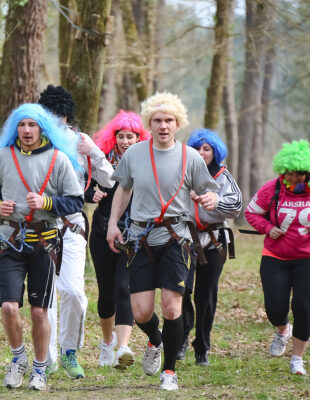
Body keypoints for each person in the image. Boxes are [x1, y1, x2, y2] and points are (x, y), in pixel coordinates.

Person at [106, 92, 219, 391]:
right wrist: (112, 225)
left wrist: (211, 197)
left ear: (178, 122)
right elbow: (123, 190)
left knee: (172, 307)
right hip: (140, 237)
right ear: (149, 124)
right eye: (157, 120)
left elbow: (209, 190)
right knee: (141, 311)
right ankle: (155, 340)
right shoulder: (134, 154)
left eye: (169, 120)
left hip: (177, 238)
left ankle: (169, 371)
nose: (163, 125)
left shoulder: (191, 157)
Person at [0, 103, 84, 391]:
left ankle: (40, 368)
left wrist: (49, 203)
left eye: (32, 125)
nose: (26, 131)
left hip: (44, 242)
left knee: (40, 312)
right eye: (22, 125)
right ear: (15, 129)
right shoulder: (2, 156)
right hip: (10, 240)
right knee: (9, 307)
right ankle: (18, 359)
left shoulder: (59, 159)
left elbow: (76, 200)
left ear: (42, 129)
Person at [37, 85, 115, 379]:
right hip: (41, 225)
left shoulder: (81, 141)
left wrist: (95, 153)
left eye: (60, 114)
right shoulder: (36, 141)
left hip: (73, 225)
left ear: (68, 116)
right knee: (46, 295)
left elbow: (109, 181)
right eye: (49, 114)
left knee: (73, 291)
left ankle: (70, 350)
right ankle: (50, 357)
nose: (56, 120)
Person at [245, 140, 310, 376]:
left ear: (309, 172)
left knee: (303, 306)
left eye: (300, 174)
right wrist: (268, 227)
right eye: (290, 173)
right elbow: (251, 213)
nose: (295, 178)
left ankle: (297, 359)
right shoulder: (271, 189)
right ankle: (283, 330)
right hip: (275, 257)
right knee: (274, 308)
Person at [88, 110, 150, 370]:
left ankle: (123, 347)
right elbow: (80, 188)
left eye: (131, 137)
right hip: (102, 231)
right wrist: (90, 194)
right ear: (114, 139)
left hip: (132, 234)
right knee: (106, 293)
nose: (125, 141)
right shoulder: (102, 164)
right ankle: (106, 342)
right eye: (121, 137)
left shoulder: (146, 164)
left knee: (124, 289)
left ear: (139, 138)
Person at [178, 129, 241, 366]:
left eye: (206, 149)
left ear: (215, 152)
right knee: (182, 290)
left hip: (214, 242)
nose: (201, 152)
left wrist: (215, 201)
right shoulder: (181, 172)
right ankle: (181, 337)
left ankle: (202, 347)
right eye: (197, 148)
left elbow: (236, 205)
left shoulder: (223, 176)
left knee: (206, 296)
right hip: (184, 240)